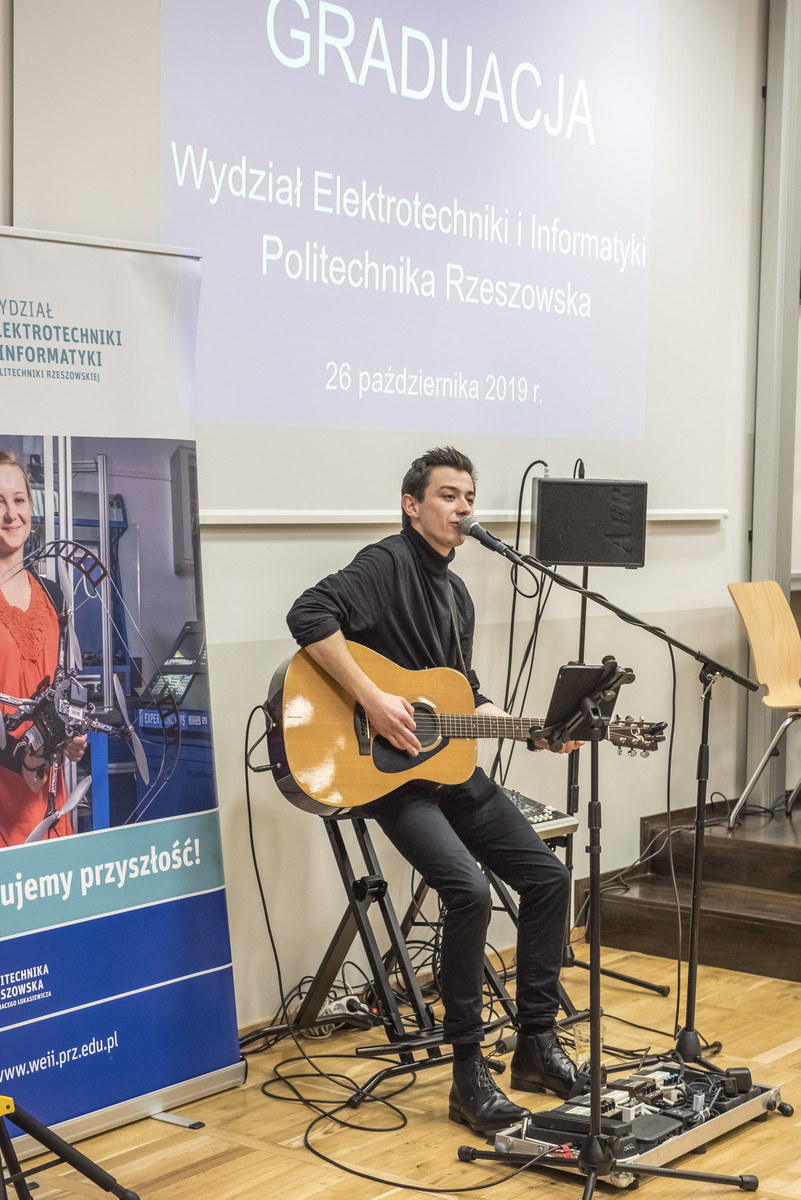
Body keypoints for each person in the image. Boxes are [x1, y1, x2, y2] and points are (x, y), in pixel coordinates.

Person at [286, 446, 584, 1137]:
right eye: (448, 495)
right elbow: (308, 613)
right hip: (391, 778)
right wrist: (372, 698)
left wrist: (530, 731)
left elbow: (460, 697)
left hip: (446, 769)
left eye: (468, 497)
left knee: (546, 878)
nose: (462, 508)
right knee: (469, 891)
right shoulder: (385, 564)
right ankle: (467, 1075)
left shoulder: (457, 595)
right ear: (411, 505)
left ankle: (536, 1045)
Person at [0, 450, 86, 847]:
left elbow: (60, 691)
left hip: (48, 801)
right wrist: (19, 757)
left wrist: (70, 736)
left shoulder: (53, 596)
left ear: (31, 509)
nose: (10, 513)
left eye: (18, 500)